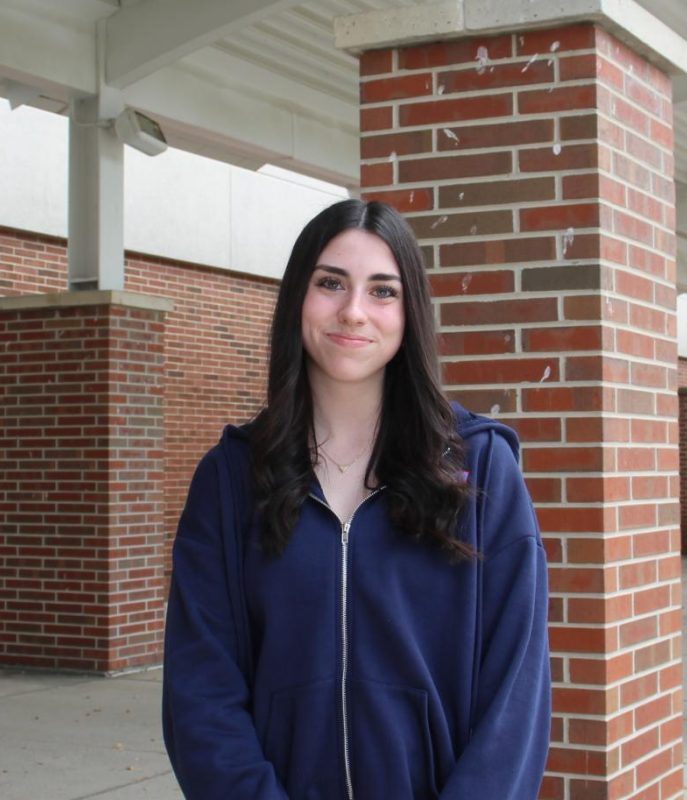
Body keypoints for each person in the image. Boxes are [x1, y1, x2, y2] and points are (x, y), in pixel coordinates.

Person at [162, 199, 550, 799]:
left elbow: (516, 693)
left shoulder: (479, 470)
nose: (353, 312)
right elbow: (201, 691)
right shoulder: (230, 478)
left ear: (409, 312)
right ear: (298, 297)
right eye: (330, 284)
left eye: (382, 291)